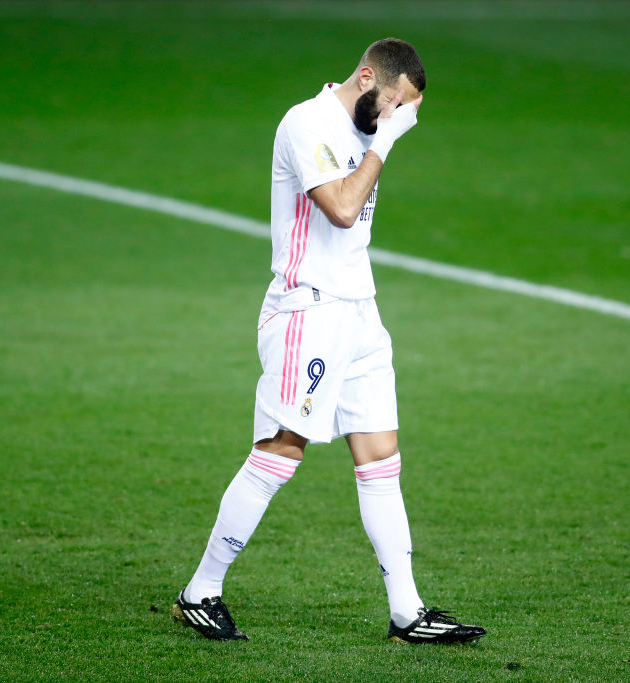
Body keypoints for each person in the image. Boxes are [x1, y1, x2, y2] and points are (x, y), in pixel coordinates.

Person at [172, 38, 485, 645]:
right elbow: (341, 208)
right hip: (306, 313)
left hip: (360, 316)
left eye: (403, 111)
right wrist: (386, 143)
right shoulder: (307, 123)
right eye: (391, 102)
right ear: (367, 76)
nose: (392, 117)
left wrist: (382, 133)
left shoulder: (368, 127)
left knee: (381, 460)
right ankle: (200, 591)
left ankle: (407, 611)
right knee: (282, 450)